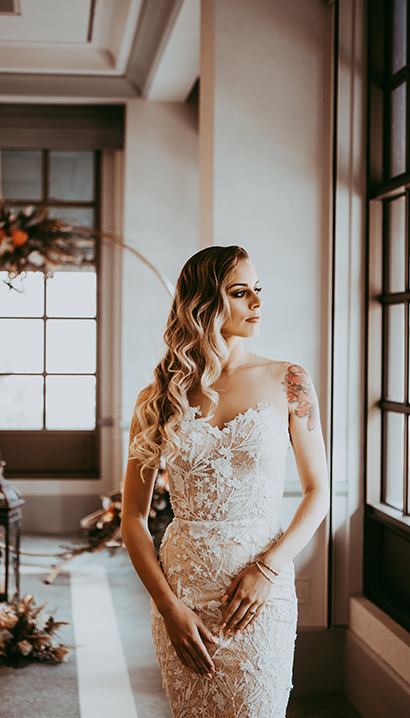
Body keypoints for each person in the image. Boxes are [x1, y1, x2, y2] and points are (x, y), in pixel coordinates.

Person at [121, 245, 329, 718]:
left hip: (260, 593)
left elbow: (318, 492)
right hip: (182, 593)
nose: (257, 302)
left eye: (258, 290)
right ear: (204, 303)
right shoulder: (157, 398)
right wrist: (168, 608)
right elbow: (131, 517)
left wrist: (269, 569)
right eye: (241, 292)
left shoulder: (289, 380)